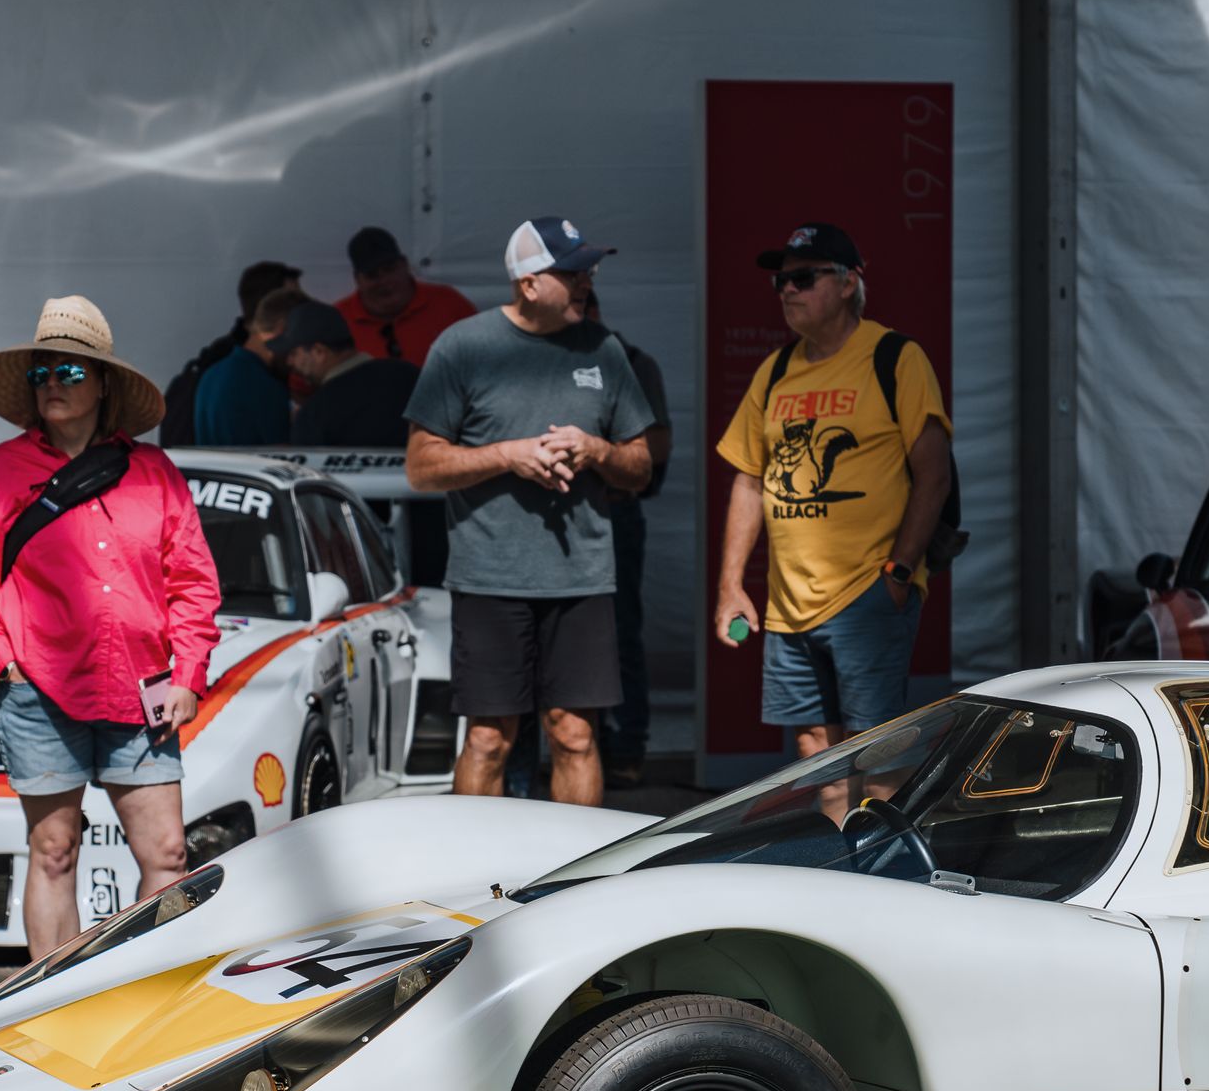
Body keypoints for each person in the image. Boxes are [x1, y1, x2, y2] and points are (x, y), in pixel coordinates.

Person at [0, 296, 219, 957]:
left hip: (140, 690)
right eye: (43, 374)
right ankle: (51, 1007)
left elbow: (194, 583)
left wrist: (188, 673)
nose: (53, 386)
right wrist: (2, 663)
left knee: (167, 851)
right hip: (37, 694)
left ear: (102, 385)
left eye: (69, 373)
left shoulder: (154, 473)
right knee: (55, 850)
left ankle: (153, 991)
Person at [404, 217, 656, 806]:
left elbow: (641, 466)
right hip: (490, 578)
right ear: (528, 283)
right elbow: (420, 466)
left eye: (588, 270)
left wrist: (597, 450)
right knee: (490, 739)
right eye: (572, 272)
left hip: (581, 579)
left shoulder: (604, 349)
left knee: (574, 734)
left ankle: (576, 883)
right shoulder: (463, 347)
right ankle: (476, 884)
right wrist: (508, 456)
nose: (586, 282)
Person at [712, 223, 951, 784]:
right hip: (789, 604)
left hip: (866, 593)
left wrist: (898, 571)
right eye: (780, 281)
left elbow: (932, 475)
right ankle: (832, 865)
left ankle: (877, 869)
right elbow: (749, 480)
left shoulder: (895, 357)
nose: (787, 290)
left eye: (802, 277)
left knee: (875, 753)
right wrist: (729, 587)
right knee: (813, 752)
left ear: (848, 283)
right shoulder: (774, 372)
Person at [569, 269, 670, 786]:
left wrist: (606, 463)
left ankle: (628, 746)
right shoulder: (547, 362)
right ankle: (586, 743)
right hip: (559, 515)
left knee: (621, 631)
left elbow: (656, 451)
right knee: (566, 633)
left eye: (586, 309)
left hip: (614, 512)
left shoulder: (631, 364)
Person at [161, 260, 300, 449]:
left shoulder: (212, 366)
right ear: (274, 311)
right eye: (295, 305)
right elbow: (284, 457)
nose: (304, 317)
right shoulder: (259, 379)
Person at [277, 296, 422, 448]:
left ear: (319, 352)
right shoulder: (408, 374)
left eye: (294, 353)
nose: (289, 362)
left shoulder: (314, 415)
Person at [337, 227, 476, 368]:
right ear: (357, 279)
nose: (384, 281)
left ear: (405, 265)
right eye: (372, 275)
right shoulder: (337, 321)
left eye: (390, 269)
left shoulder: (449, 304)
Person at [193, 285, 297, 446]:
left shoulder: (211, 374)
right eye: (299, 343)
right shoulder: (264, 385)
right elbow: (285, 460)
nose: (295, 359)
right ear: (281, 329)